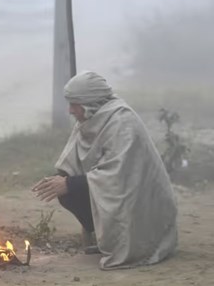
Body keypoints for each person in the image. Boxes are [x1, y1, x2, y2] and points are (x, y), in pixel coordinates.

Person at [32, 71, 178, 270]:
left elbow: (118, 176)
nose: (70, 111)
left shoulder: (122, 121)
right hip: (114, 191)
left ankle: (128, 244)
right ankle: (107, 239)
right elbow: (72, 161)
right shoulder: (89, 119)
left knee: (71, 188)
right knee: (67, 192)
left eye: (74, 104)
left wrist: (69, 184)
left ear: (89, 103)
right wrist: (59, 179)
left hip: (141, 203)